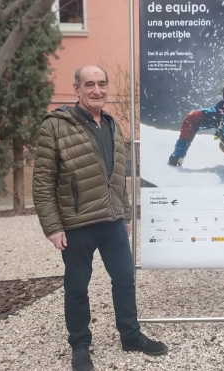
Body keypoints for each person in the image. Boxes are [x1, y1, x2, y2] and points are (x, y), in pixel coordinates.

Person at [32, 65, 168, 371]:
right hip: (77, 223)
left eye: (102, 84)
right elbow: (42, 182)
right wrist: (53, 227)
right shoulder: (56, 126)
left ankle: (131, 336)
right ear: (77, 89)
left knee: (124, 279)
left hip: (112, 222)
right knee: (77, 286)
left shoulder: (111, 124)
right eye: (89, 84)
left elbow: (119, 176)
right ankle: (80, 345)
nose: (97, 90)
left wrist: (127, 214)